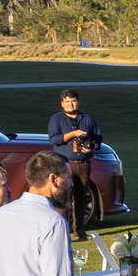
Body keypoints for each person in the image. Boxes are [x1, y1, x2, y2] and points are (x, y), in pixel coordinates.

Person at [46, 90, 102, 220]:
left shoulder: (87, 119)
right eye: (67, 101)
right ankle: (62, 226)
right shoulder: (56, 119)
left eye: (73, 101)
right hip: (64, 165)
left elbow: (98, 138)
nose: (70, 104)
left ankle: (79, 229)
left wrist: (92, 147)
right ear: (62, 103)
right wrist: (73, 134)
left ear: (78, 102)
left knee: (81, 198)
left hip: (83, 164)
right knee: (63, 196)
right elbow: (54, 140)